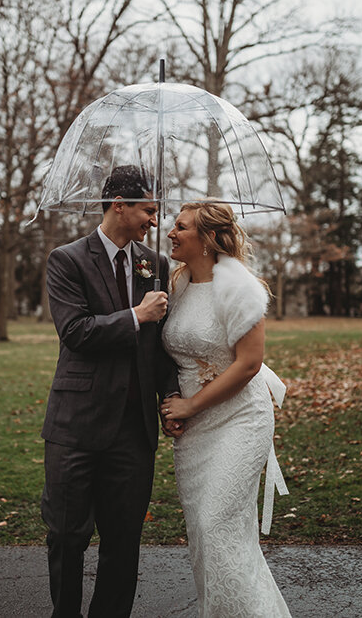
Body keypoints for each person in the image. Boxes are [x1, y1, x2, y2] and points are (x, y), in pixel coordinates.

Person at [40, 165, 181, 618]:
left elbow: (161, 347)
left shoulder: (155, 265)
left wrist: (171, 395)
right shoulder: (67, 260)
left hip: (133, 429)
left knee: (124, 541)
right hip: (76, 425)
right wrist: (137, 315)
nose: (154, 222)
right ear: (118, 206)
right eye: (147, 210)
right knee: (67, 534)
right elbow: (76, 332)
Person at [160, 202, 291, 617]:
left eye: (180, 228)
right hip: (194, 431)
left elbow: (250, 363)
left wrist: (192, 404)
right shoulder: (175, 285)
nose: (170, 234)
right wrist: (172, 409)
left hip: (239, 419)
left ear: (208, 239)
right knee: (204, 534)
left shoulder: (240, 288)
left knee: (218, 525)